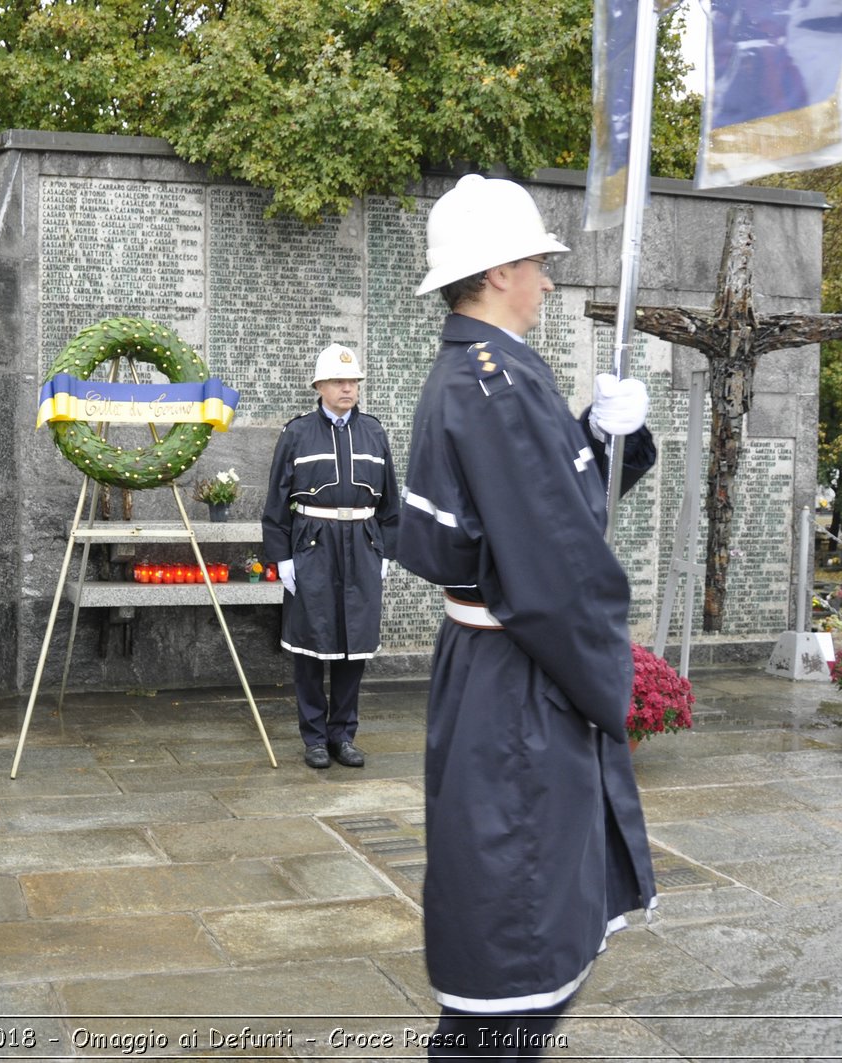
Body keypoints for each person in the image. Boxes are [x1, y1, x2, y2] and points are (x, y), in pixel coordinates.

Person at [396, 175, 658, 1058]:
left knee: (522, 923)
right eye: (540, 264)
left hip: (501, 666)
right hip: (519, 680)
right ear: (502, 268)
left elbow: (544, 504)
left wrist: (609, 436)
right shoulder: (494, 384)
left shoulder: (493, 371)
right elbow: (553, 569)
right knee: (513, 948)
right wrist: (608, 684)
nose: (548, 279)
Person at [261, 343, 400, 769]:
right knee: (310, 644)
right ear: (319, 385)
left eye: (353, 381)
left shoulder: (374, 432)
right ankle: (315, 738)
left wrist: (385, 552)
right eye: (339, 381)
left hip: (361, 542)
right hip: (313, 545)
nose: (348, 388)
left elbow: (391, 503)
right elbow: (275, 503)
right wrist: (282, 558)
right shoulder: (298, 433)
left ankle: (344, 735)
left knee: (353, 644)